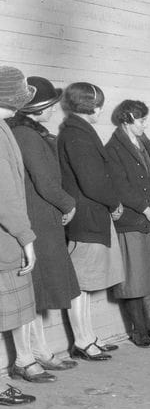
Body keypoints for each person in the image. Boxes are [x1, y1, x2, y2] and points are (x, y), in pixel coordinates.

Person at [7, 76, 81, 372]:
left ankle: (40, 351)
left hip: (43, 221)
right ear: (39, 109)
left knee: (37, 294)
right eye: (51, 105)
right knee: (31, 293)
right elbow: (45, 182)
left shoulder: (28, 132)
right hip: (37, 222)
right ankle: (25, 358)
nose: (54, 110)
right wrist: (69, 203)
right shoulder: (26, 135)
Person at [58, 82, 124, 361]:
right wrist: (114, 203)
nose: (100, 110)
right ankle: (82, 341)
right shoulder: (77, 134)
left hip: (90, 216)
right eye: (99, 105)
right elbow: (92, 182)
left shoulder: (77, 131)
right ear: (94, 107)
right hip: (87, 216)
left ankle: (88, 337)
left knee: (84, 285)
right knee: (80, 284)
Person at [105, 100, 150, 348]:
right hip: (133, 220)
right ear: (126, 121)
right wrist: (147, 210)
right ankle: (139, 331)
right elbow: (119, 187)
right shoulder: (113, 148)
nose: (145, 124)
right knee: (135, 277)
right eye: (141, 120)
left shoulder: (147, 143)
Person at [0, 65, 52, 396]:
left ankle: (23, 360)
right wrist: (26, 237)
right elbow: (4, 195)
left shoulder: (3, 127)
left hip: (7, 238)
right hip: (5, 239)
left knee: (15, 307)